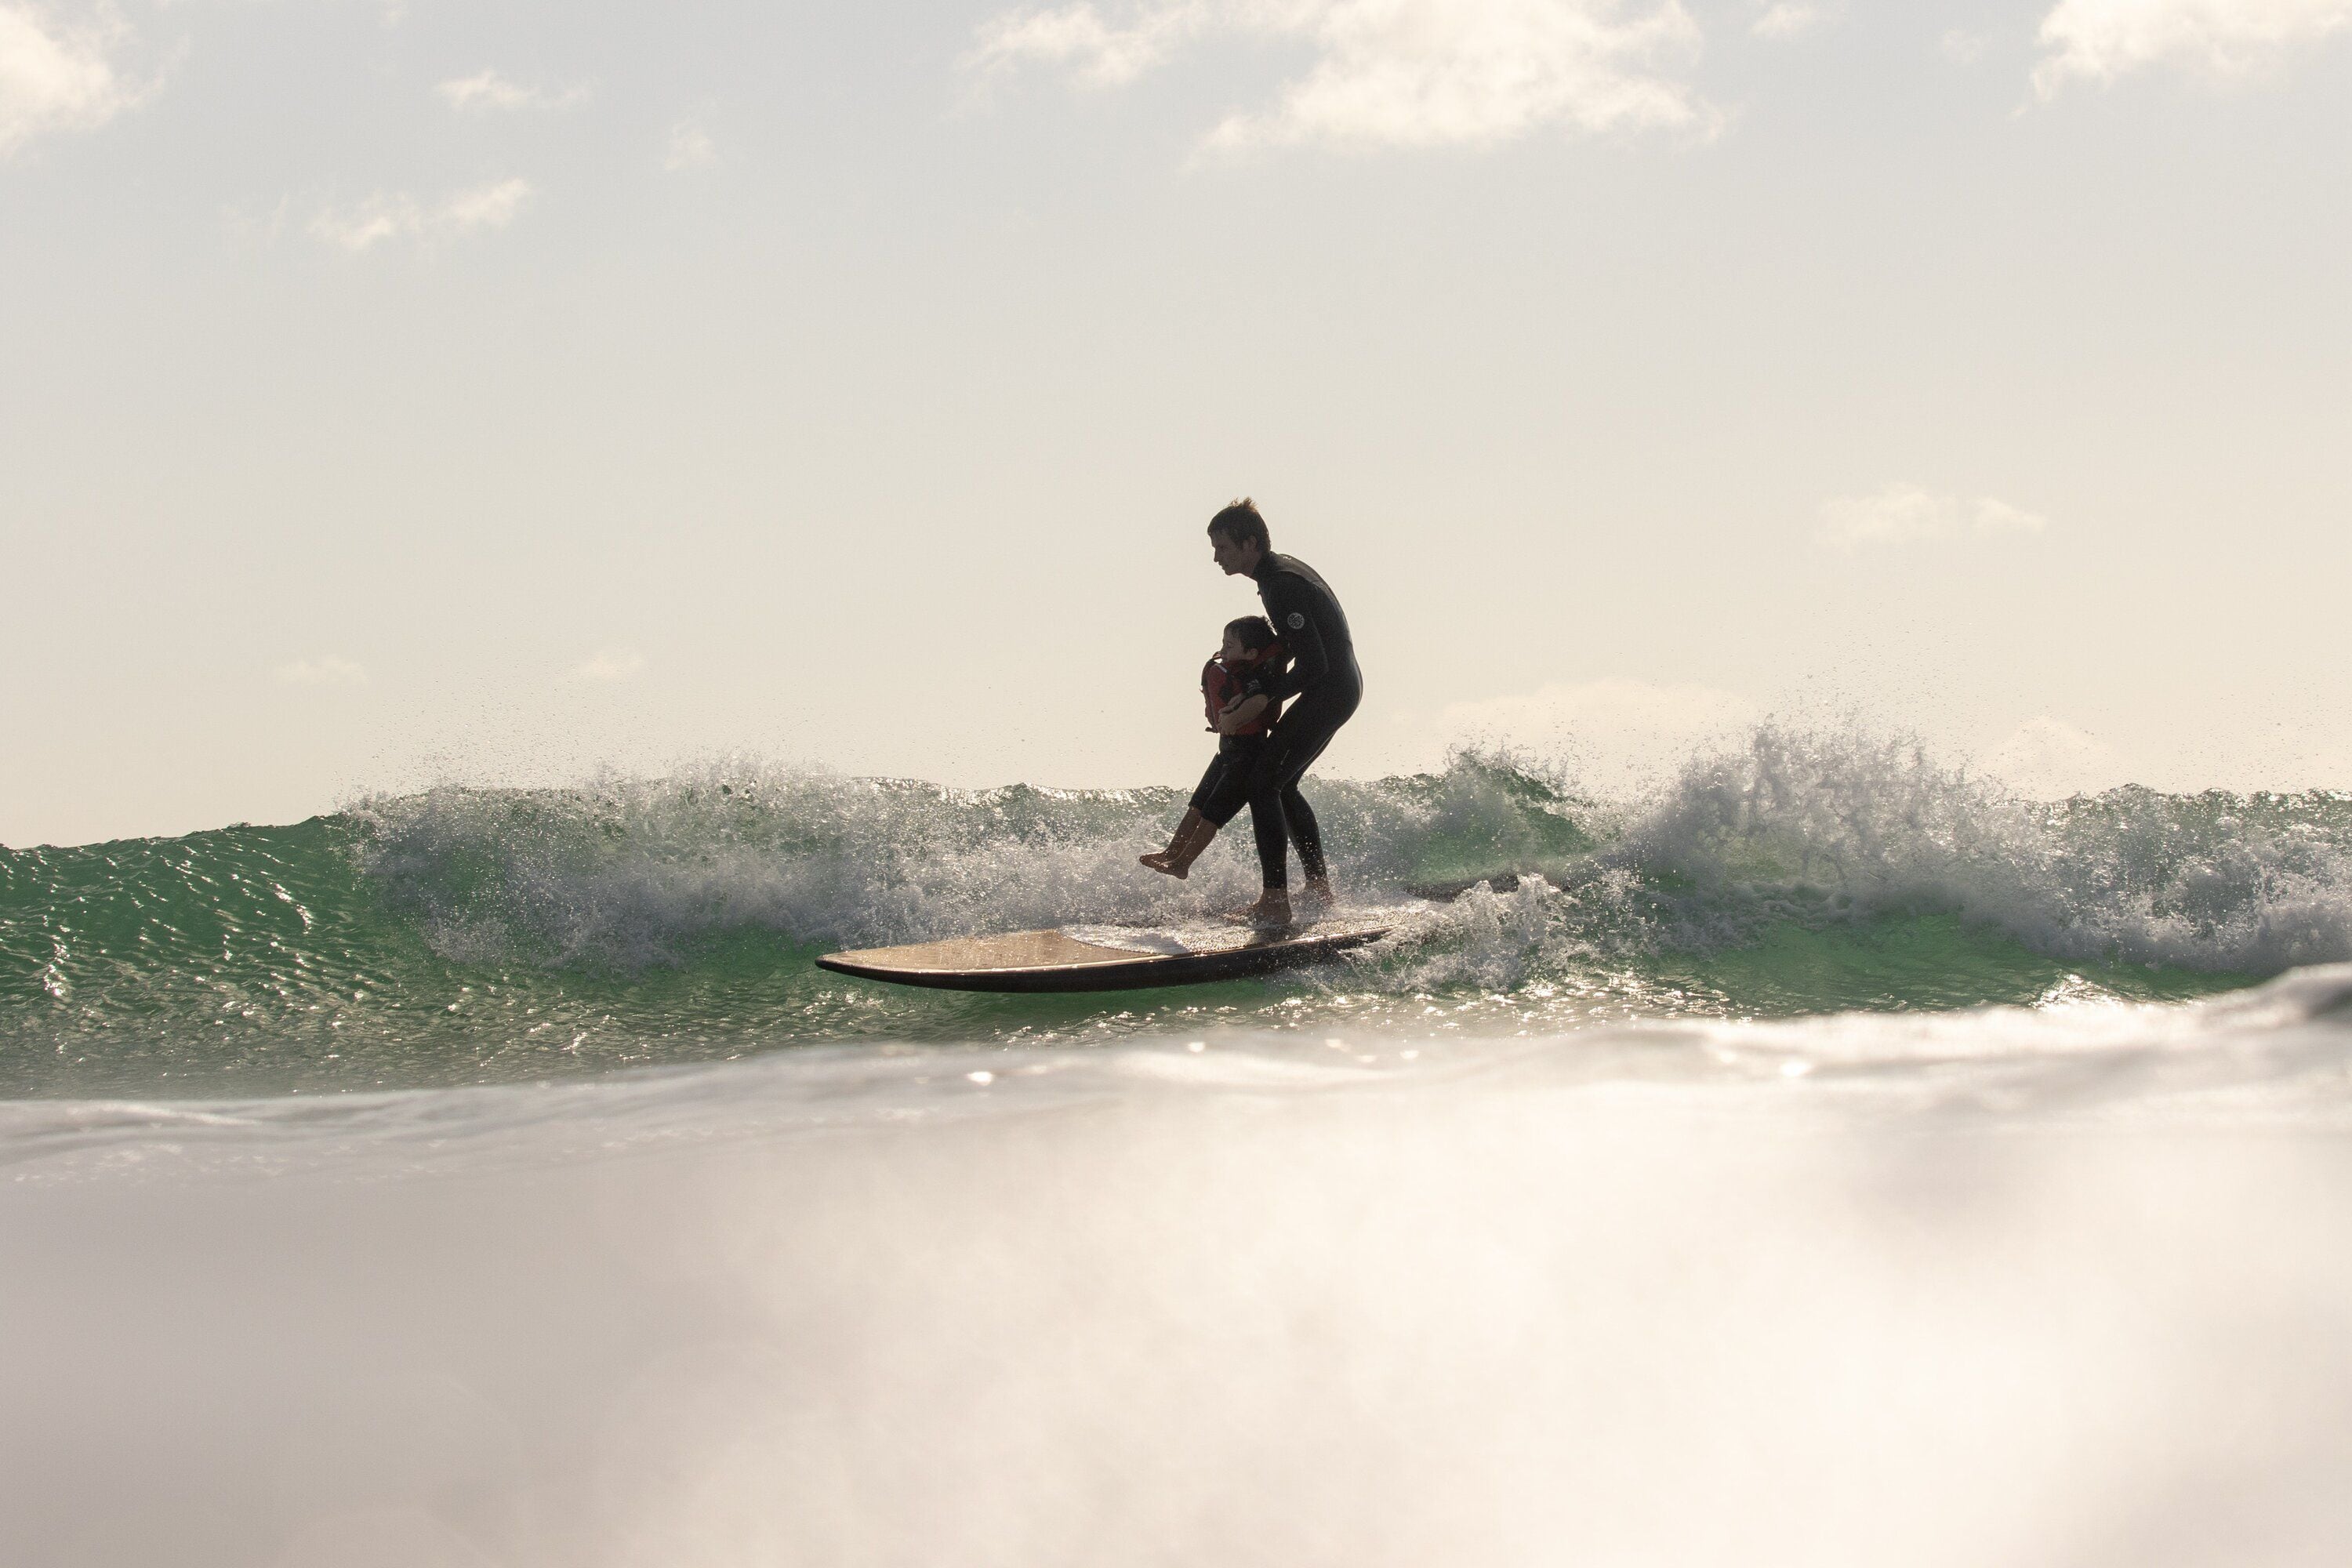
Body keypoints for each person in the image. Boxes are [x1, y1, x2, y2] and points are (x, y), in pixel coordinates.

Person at [1201, 498, 1362, 925]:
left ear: (1250, 543)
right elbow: (1295, 649)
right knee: (1282, 784)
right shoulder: (1277, 572)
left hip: (1329, 691)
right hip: (1336, 688)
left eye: (1223, 547)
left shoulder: (1281, 584)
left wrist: (1264, 696)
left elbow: (1315, 665)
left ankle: (1276, 901)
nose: (1216, 557)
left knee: (1263, 782)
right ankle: (1318, 889)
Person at [1141, 615, 1286, 880]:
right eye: (1223, 643)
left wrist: (1236, 714)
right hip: (1226, 752)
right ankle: (1171, 852)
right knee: (1197, 805)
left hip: (1247, 755)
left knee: (1211, 814)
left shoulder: (1252, 676)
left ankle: (1182, 863)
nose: (1224, 650)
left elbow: (1258, 702)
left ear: (1251, 653)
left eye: (1230, 646)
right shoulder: (1230, 671)